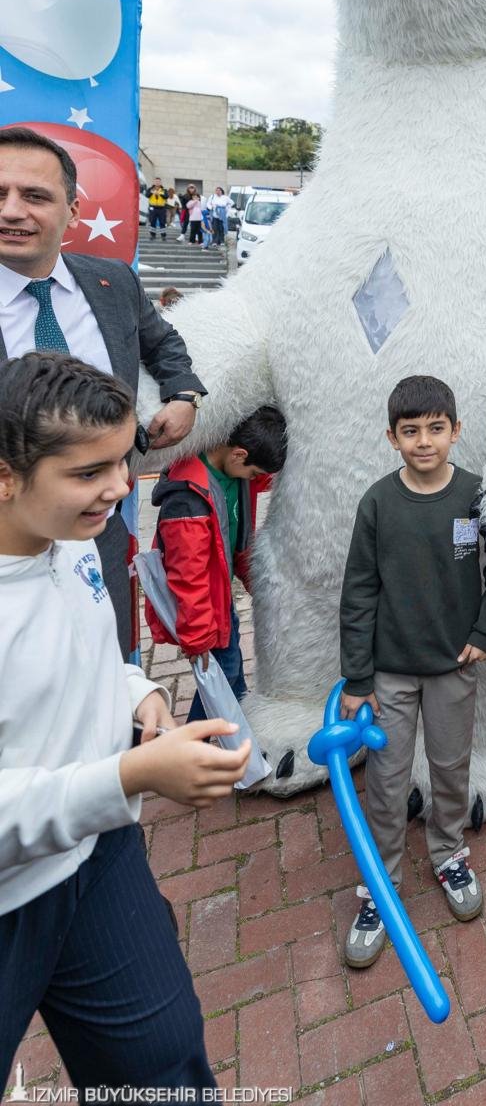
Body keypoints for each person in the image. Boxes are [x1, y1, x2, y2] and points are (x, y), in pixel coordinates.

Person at [0, 353, 250, 1098]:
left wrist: (136, 694)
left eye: (122, 462)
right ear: (6, 474)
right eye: (88, 473)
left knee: (164, 1061)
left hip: (98, 856)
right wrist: (129, 778)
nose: (119, 488)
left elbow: (92, 654)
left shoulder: (73, 540)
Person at [0, 127, 207, 656]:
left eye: (35, 196)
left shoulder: (113, 282)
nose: (12, 211)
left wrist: (183, 395)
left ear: (72, 210)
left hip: (106, 528)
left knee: (112, 666)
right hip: (9, 546)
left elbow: (163, 342)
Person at [339, 375, 486, 968]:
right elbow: (359, 592)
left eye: (435, 429)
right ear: (391, 437)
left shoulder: (476, 495)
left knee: (450, 766)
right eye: (410, 431)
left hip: (452, 666)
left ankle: (448, 854)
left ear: (456, 431)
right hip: (389, 672)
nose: (423, 442)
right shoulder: (378, 504)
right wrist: (358, 679)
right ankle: (379, 885)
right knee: (386, 781)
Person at [146, 406, 287, 722]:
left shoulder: (234, 475)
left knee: (231, 675)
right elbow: (188, 578)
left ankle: (234, 743)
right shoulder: (187, 502)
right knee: (222, 678)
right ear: (239, 455)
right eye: (254, 473)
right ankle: (195, 746)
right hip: (204, 611)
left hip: (221, 600)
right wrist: (197, 639)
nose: (256, 481)